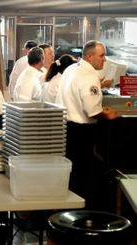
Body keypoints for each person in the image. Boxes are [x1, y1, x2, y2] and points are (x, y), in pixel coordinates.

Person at [55, 40, 118, 205]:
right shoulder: (89, 76)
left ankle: (67, 209)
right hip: (81, 132)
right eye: (102, 56)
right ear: (90, 57)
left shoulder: (71, 69)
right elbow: (93, 111)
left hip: (64, 127)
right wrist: (108, 115)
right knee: (82, 174)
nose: (104, 60)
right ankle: (81, 212)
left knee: (70, 172)